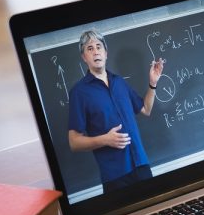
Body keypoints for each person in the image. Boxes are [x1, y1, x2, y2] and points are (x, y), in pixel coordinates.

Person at [68, 30, 164, 193]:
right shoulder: (79, 92)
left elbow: (146, 109)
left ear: (106, 53)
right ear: (84, 57)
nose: (95, 51)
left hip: (141, 166)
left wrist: (153, 83)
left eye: (99, 47)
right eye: (89, 48)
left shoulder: (119, 82)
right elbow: (74, 142)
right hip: (115, 177)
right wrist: (105, 140)